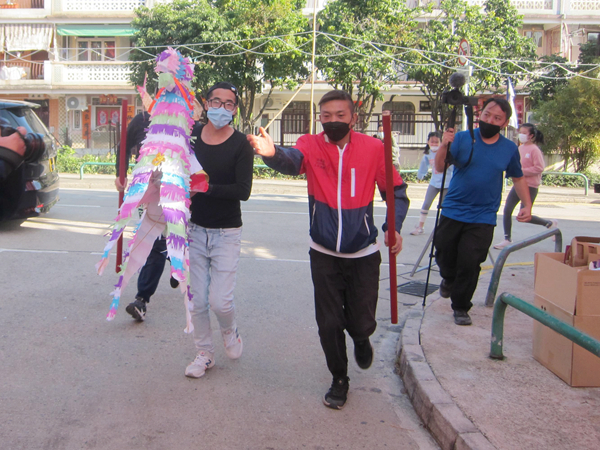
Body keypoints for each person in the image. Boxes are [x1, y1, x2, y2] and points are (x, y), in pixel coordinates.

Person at [248, 90, 409, 410]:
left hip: (363, 253)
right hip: (323, 253)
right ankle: (339, 377)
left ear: (353, 118)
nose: (332, 121)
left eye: (340, 115)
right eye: (326, 116)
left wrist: (394, 226)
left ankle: (361, 338)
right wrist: (272, 153)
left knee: (361, 320)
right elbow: (292, 161)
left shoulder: (374, 149)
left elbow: (396, 192)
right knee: (329, 323)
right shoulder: (310, 144)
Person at [433, 97, 532, 326]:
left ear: (504, 123)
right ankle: (448, 278)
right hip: (453, 209)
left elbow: (518, 178)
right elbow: (439, 166)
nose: (490, 120)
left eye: (497, 118)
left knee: (470, 261)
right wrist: (444, 145)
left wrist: (527, 205)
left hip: (483, 215)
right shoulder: (462, 138)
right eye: (487, 114)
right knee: (444, 252)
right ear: (479, 114)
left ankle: (461, 307)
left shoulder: (509, 148)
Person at [184, 81, 254, 378]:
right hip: (194, 229)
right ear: (206, 103)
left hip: (226, 232)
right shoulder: (190, 137)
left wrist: (207, 188)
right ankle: (204, 353)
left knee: (220, 302)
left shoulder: (241, 144)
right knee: (197, 300)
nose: (221, 108)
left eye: (228, 104)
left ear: (235, 109)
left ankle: (229, 328)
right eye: (216, 101)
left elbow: (243, 190)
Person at [114, 109, 179, 321]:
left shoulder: (184, 118)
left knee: (175, 237)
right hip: (149, 190)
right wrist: (120, 174)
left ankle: (176, 262)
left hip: (177, 191)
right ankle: (141, 299)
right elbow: (123, 147)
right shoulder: (142, 119)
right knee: (154, 241)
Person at [493, 123, 557, 249]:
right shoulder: (520, 148)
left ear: (531, 136)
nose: (520, 135)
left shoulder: (534, 150)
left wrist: (521, 171)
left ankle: (549, 224)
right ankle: (507, 238)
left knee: (524, 216)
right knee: (507, 209)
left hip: (530, 186)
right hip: (518, 184)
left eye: (524, 133)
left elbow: (539, 168)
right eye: (520, 132)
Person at [410, 131, 453, 235]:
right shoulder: (428, 154)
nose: (434, 144)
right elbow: (423, 165)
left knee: (443, 206)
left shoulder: (446, 152)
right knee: (426, 203)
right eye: (432, 142)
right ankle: (420, 227)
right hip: (434, 182)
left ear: (441, 142)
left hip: (447, 183)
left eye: (436, 142)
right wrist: (420, 175)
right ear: (428, 142)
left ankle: (442, 228)